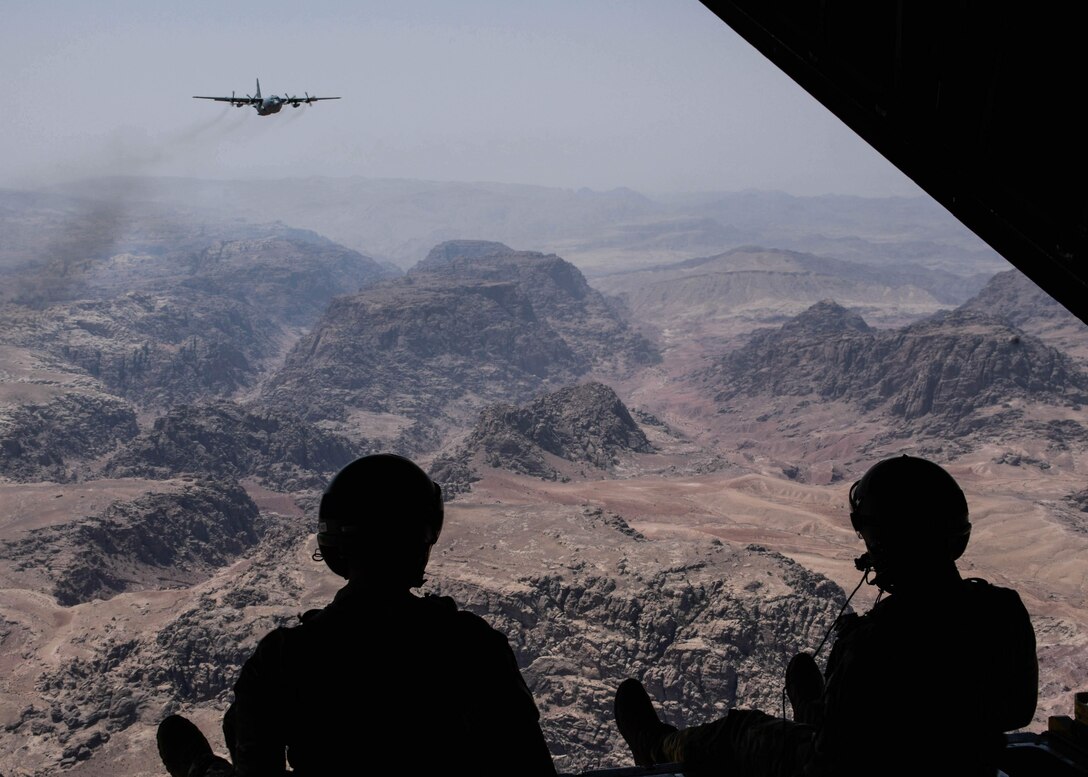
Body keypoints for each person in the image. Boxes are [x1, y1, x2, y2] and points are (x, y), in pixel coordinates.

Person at [613, 454, 1038, 777]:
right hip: (964, 766)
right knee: (831, 715)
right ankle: (815, 709)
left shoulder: (879, 643)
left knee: (739, 732)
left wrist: (838, 696)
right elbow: (1016, 712)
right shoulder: (1002, 611)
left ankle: (656, 746)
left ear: (884, 545)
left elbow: (834, 760)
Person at [157, 453, 556, 777]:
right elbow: (528, 763)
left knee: (241, 721)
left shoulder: (284, 657)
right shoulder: (472, 644)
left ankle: (205, 773)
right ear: (421, 543)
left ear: (334, 548)